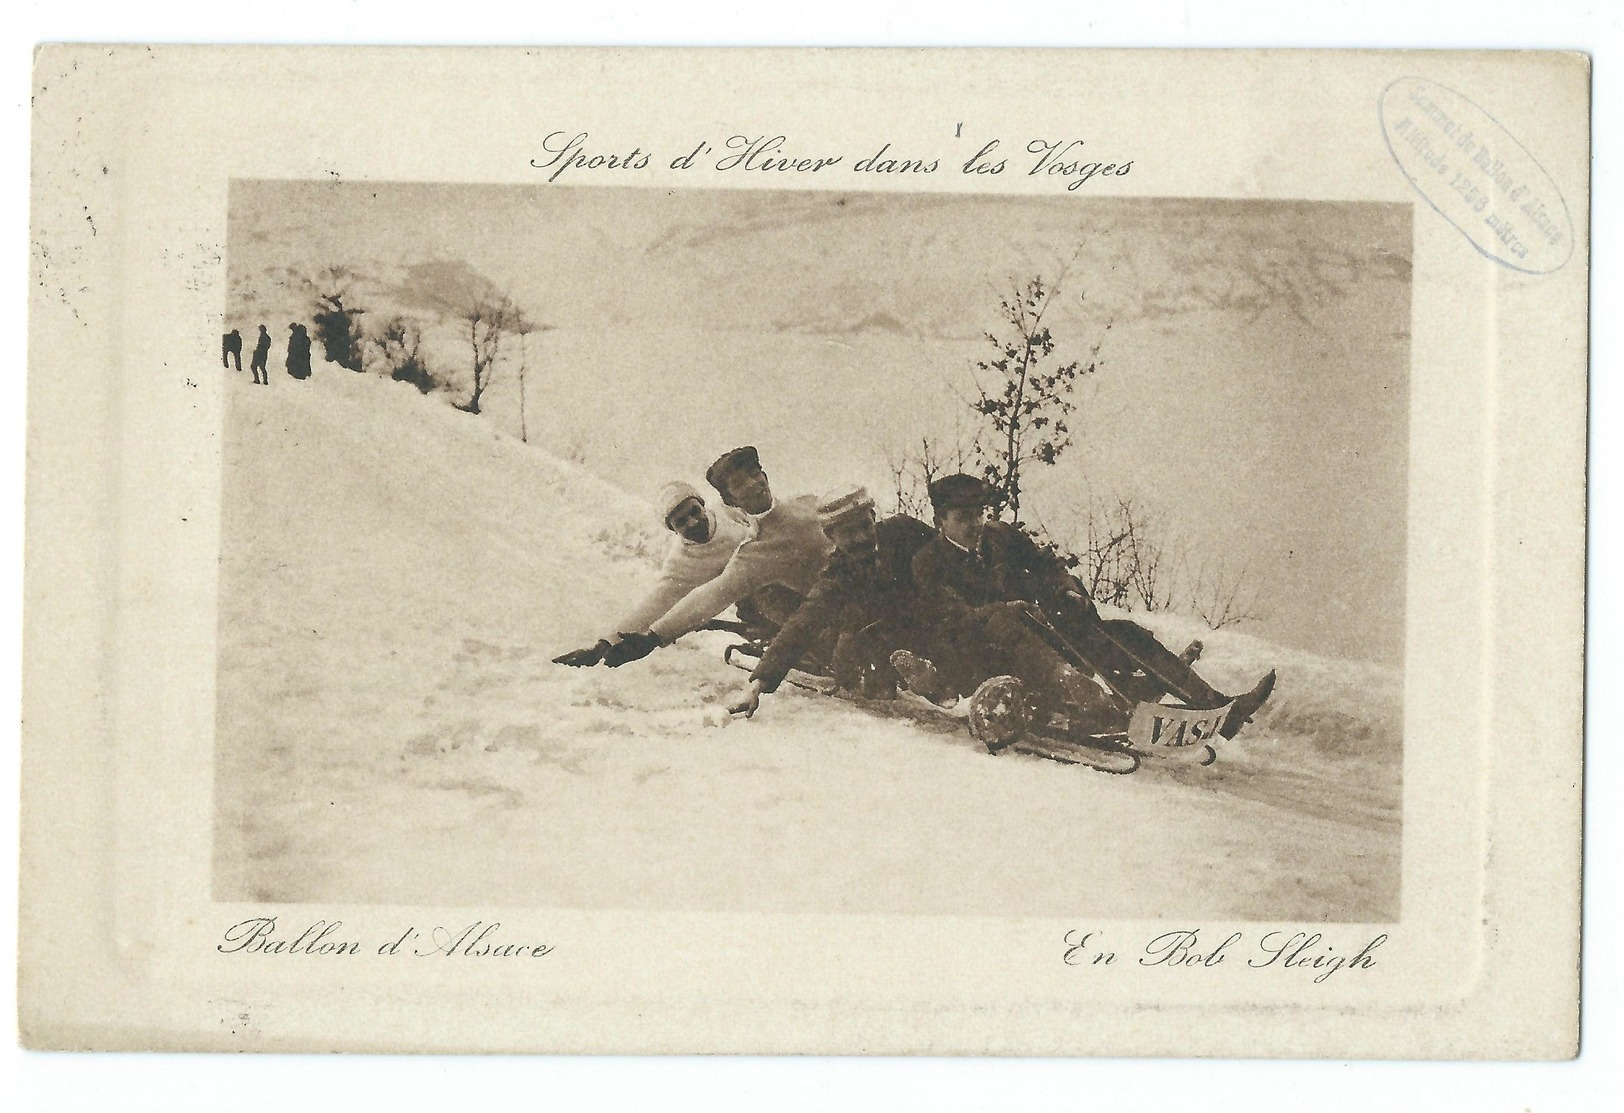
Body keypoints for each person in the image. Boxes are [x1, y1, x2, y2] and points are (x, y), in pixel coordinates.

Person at [907, 473, 1274, 738]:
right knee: (1010, 624)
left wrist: (1069, 590)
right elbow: (952, 618)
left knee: (1122, 633)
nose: (975, 525)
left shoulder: (1002, 538)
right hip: (986, 656)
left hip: (1039, 637)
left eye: (978, 514)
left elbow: (1051, 567)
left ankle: (1216, 707)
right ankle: (1082, 693)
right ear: (940, 522)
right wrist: (1004, 610)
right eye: (963, 518)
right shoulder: (928, 561)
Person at [603, 446, 834, 668]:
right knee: (766, 598)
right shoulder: (753, 553)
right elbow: (705, 598)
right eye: (740, 484)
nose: (754, 485)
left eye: (754, 474)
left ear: (764, 474)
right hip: (817, 610)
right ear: (731, 499)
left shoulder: (808, 502)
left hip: (855, 586)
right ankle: (812, 650)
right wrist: (649, 639)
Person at [728, 488, 935, 718]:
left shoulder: (905, 531)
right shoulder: (837, 574)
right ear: (830, 536)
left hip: (930, 616)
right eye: (848, 533)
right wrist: (757, 685)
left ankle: (937, 675)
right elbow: (801, 626)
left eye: (865, 526)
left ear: (874, 518)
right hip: (878, 635)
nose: (860, 538)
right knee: (852, 656)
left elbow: (948, 552)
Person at [552, 481, 749, 667]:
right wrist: (603, 646)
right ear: (673, 529)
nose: (693, 522)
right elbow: (655, 603)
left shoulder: (727, 512)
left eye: (695, 512)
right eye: (681, 522)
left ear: (703, 506)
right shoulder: (683, 560)